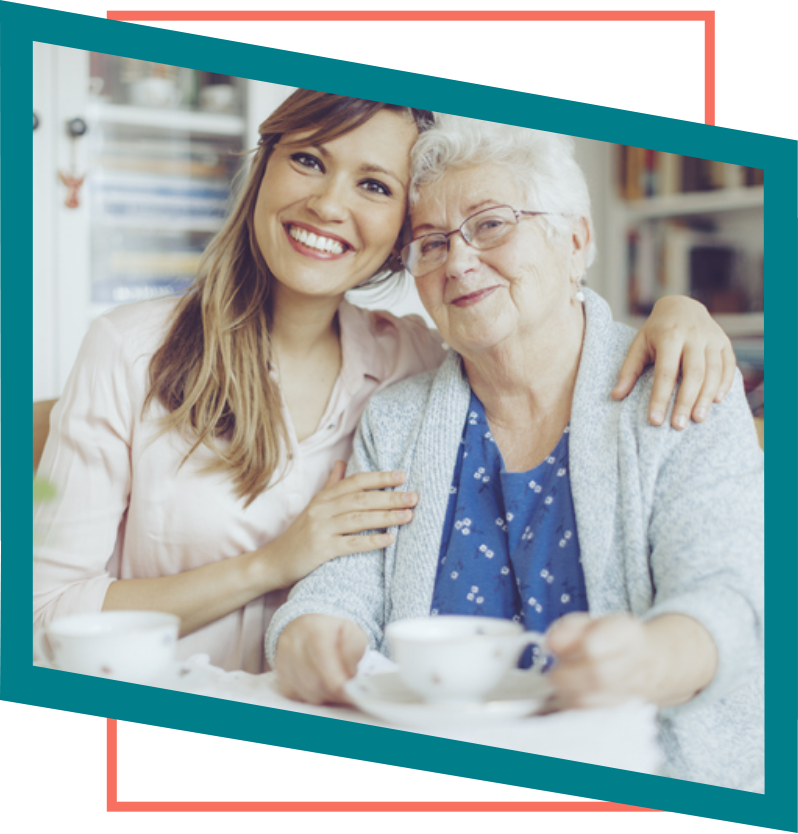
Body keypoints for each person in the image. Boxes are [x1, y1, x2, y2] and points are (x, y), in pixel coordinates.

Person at [34, 90, 736, 675]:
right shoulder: (131, 350)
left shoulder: (416, 365)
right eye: (308, 160)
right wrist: (273, 565)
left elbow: (530, 337)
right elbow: (41, 615)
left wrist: (683, 310)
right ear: (264, 167)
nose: (329, 204)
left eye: (374, 185)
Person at [266, 114, 764, 792]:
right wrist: (306, 635)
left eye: (492, 223)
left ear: (575, 242)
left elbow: (733, 599)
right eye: (432, 243)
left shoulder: (681, 380)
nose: (460, 261)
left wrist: (647, 659)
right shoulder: (398, 416)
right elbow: (341, 588)